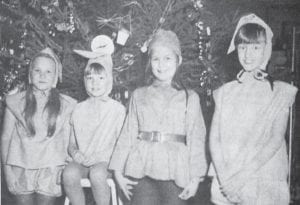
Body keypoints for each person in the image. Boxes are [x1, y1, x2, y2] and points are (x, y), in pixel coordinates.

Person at [109, 29, 207, 205]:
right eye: (156, 59)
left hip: (176, 170)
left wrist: (195, 178)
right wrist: (117, 172)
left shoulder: (189, 97)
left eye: (168, 58)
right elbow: (128, 133)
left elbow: (196, 138)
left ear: (179, 60)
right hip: (142, 167)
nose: (161, 65)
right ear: (150, 62)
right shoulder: (139, 95)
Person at [209, 13, 298, 205]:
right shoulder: (225, 92)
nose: (248, 55)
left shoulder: (279, 92)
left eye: (256, 47)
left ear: (266, 50)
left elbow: (275, 139)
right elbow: (214, 138)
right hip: (228, 178)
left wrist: (242, 177)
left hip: (263, 178)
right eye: (243, 47)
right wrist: (225, 180)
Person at [1, 48, 77, 205]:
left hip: (50, 168)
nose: (42, 76)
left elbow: (70, 140)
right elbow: (6, 137)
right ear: (30, 75)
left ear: (55, 77)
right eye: (37, 70)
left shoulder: (66, 104)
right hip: (20, 167)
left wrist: (65, 166)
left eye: (48, 72)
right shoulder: (15, 102)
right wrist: (7, 172)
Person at [63, 36, 126, 205]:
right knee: (68, 174)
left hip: (107, 161)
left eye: (100, 78)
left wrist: (98, 157)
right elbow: (72, 142)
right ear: (84, 80)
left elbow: (121, 144)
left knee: (97, 174)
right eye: (89, 78)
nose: (94, 83)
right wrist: (77, 154)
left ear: (109, 80)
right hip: (83, 161)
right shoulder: (78, 108)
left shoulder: (117, 110)